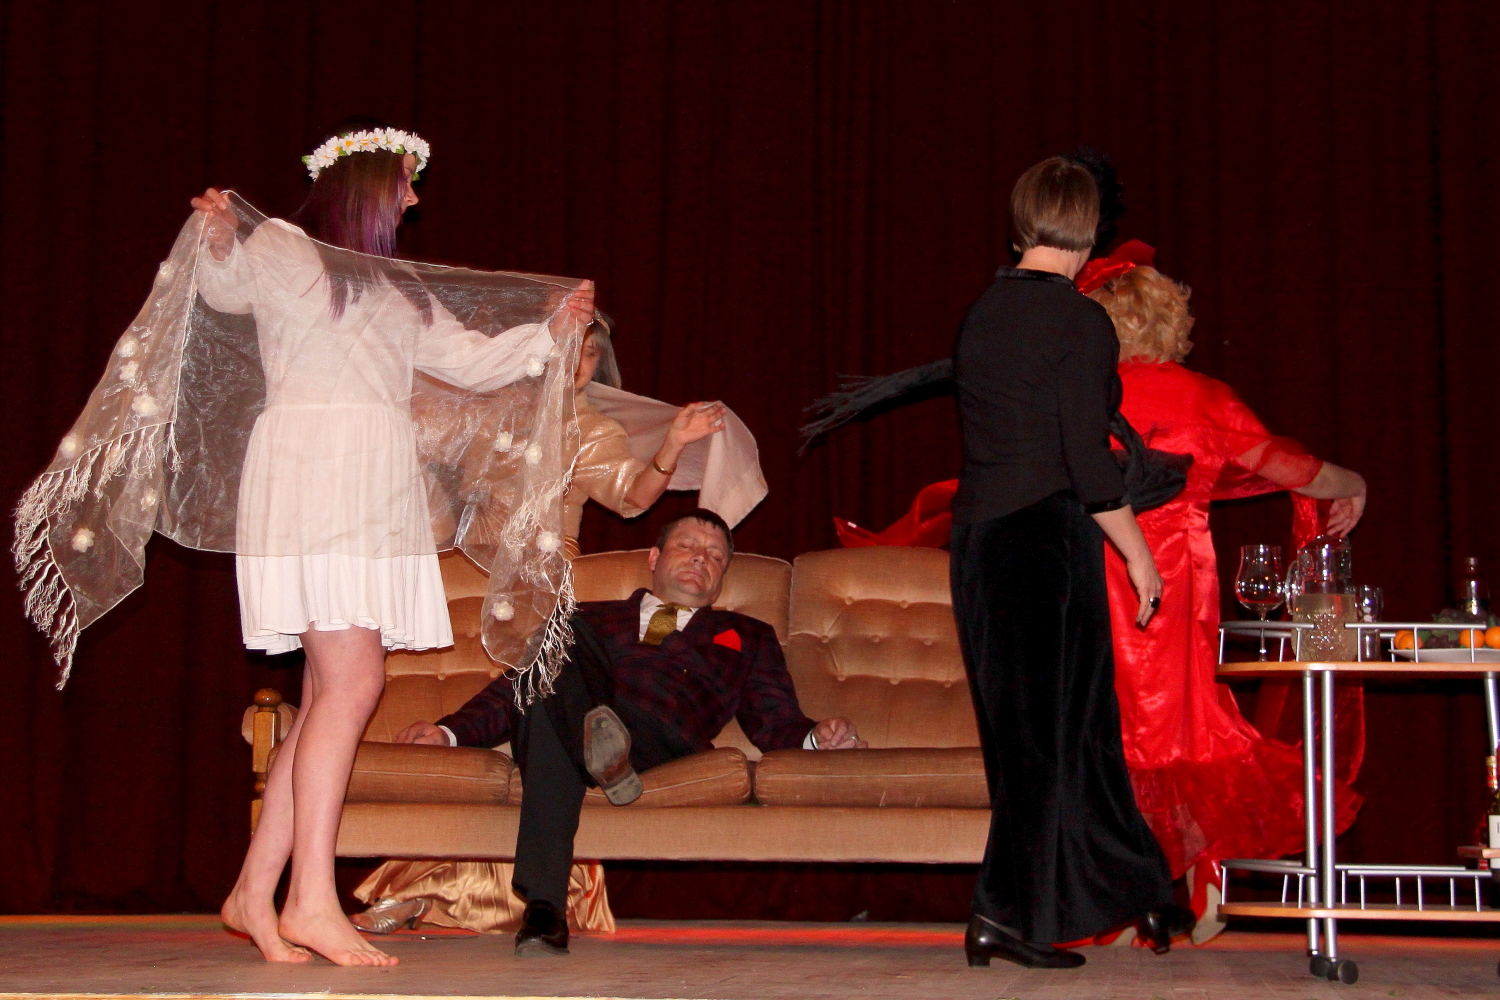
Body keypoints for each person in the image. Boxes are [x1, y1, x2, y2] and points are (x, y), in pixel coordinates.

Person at [188, 120, 595, 966]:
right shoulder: (288, 247)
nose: (413, 198)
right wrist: (220, 238)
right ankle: (309, 898)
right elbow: (225, 289)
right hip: (316, 473)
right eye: (406, 182)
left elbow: (472, 361)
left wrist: (553, 334)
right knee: (355, 682)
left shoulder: (399, 286)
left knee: (325, 693)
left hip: (367, 481)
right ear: (369, 185)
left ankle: (254, 891)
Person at [351, 317, 729, 936]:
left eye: (591, 353)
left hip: (539, 585)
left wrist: (672, 445)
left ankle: (448, 895)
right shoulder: (487, 409)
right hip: (467, 581)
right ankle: (454, 891)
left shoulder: (590, 428)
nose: (579, 362)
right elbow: (427, 468)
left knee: (537, 724)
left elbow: (632, 495)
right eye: (568, 348)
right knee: (501, 741)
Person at [393, 509, 866, 956]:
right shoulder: (589, 617)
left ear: (722, 575)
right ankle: (587, 796)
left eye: (715, 555)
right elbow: (515, 688)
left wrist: (816, 737)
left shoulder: (747, 634)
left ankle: (545, 901)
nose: (700, 558)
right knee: (553, 660)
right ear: (655, 558)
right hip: (576, 715)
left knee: (548, 711)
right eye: (687, 546)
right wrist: (449, 733)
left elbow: (773, 718)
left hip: (663, 734)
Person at [950, 157, 1192, 970]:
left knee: (1048, 738)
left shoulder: (982, 313)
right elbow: (1088, 463)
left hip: (980, 545)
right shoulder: (1081, 322)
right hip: (1043, 544)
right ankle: (1005, 913)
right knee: (1059, 739)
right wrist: (1140, 557)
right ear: (1089, 230)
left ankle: (1134, 890)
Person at [1082, 248, 1367, 935]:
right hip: (1179, 583)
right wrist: (1354, 483)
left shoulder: (1082, 398)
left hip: (1097, 577)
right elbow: (1294, 468)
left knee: (1111, 731)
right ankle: (1204, 878)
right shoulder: (1204, 398)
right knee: (1189, 730)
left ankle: (1120, 897)